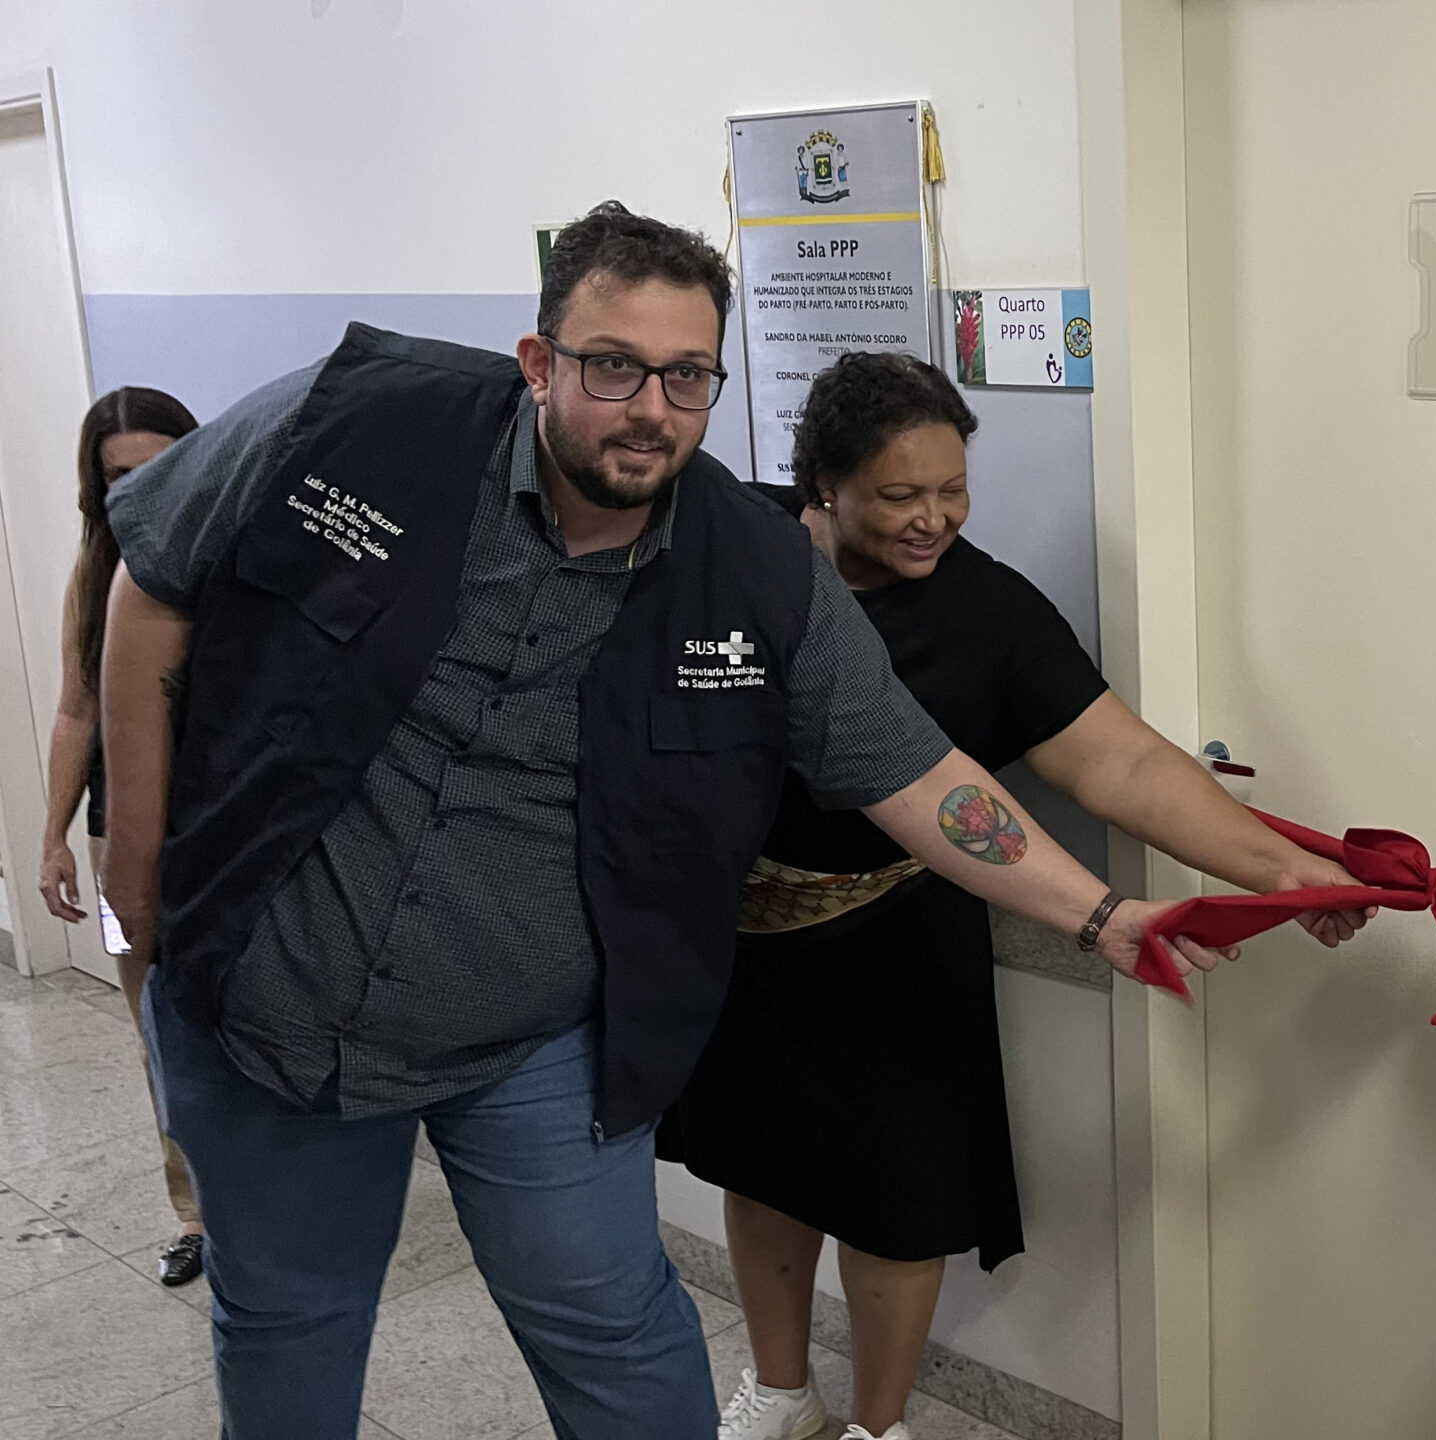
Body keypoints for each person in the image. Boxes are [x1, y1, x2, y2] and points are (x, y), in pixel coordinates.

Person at [97, 201, 1230, 1440]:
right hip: (273, 1006)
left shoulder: (756, 571)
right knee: (288, 1322)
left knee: (618, 1333)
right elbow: (151, 585)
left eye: (687, 375)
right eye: (613, 366)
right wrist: (140, 880)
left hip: (533, 1046)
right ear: (540, 363)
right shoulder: (355, 419)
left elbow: (918, 775)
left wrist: (1102, 913)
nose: (651, 407)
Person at [659, 352, 1372, 1440]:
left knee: (900, 1203)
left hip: (900, 936)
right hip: (747, 940)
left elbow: (1122, 766)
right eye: (900, 495)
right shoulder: (739, 551)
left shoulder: (989, 612)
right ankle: (782, 1391)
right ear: (824, 485)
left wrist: (1280, 871)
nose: (931, 519)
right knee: (760, 1170)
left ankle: (876, 1425)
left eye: (952, 490)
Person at [34, 386, 208, 1286]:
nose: (143, 492)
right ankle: (195, 1216)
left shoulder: (239, 556)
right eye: (119, 479)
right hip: (118, 850)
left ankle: (273, 1207)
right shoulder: (94, 569)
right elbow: (75, 711)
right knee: (156, 1032)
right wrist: (53, 837)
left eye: (162, 468)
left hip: (227, 841)